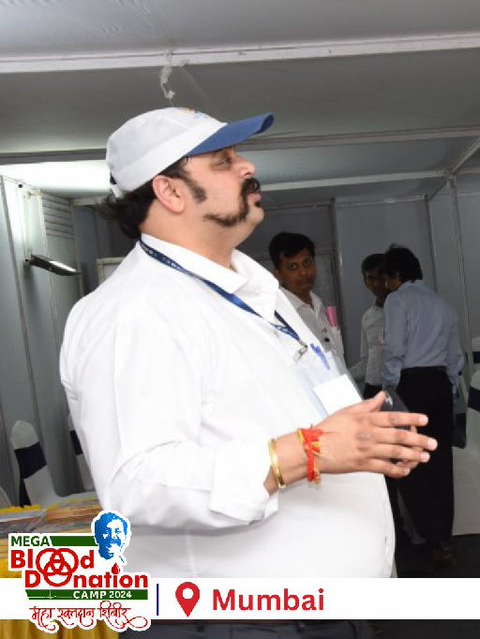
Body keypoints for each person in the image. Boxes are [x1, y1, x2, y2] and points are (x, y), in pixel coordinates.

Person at [60, 107, 436, 637]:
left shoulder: (250, 286)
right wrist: (308, 451)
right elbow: (138, 483)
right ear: (169, 192)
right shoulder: (134, 312)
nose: (247, 167)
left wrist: (356, 435)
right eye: (223, 161)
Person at [381, 245, 464, 573]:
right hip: (441, 386)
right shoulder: (443, 304)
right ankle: (444, 536)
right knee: (440, 464)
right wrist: (451, 386)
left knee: (409, 465)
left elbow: (394, 349)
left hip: (411, 386)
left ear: (395, 277)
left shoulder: (397, 300)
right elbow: (455, 356)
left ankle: (433, 538)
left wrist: (390, 389)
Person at [269, 231, 346, 366]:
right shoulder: (277, 317)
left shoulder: (318, 305)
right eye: (293, 267)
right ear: (278, 274)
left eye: (307, 263)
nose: (304, 272)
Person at [349, 253, 388, 398]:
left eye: (381, 277)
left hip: (401, 388)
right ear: (365, 282)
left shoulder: (407, 311)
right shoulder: (368, 317)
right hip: (373, 390)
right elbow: (366, 363)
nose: (377, 283)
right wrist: (341, 374)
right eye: (371, 278)